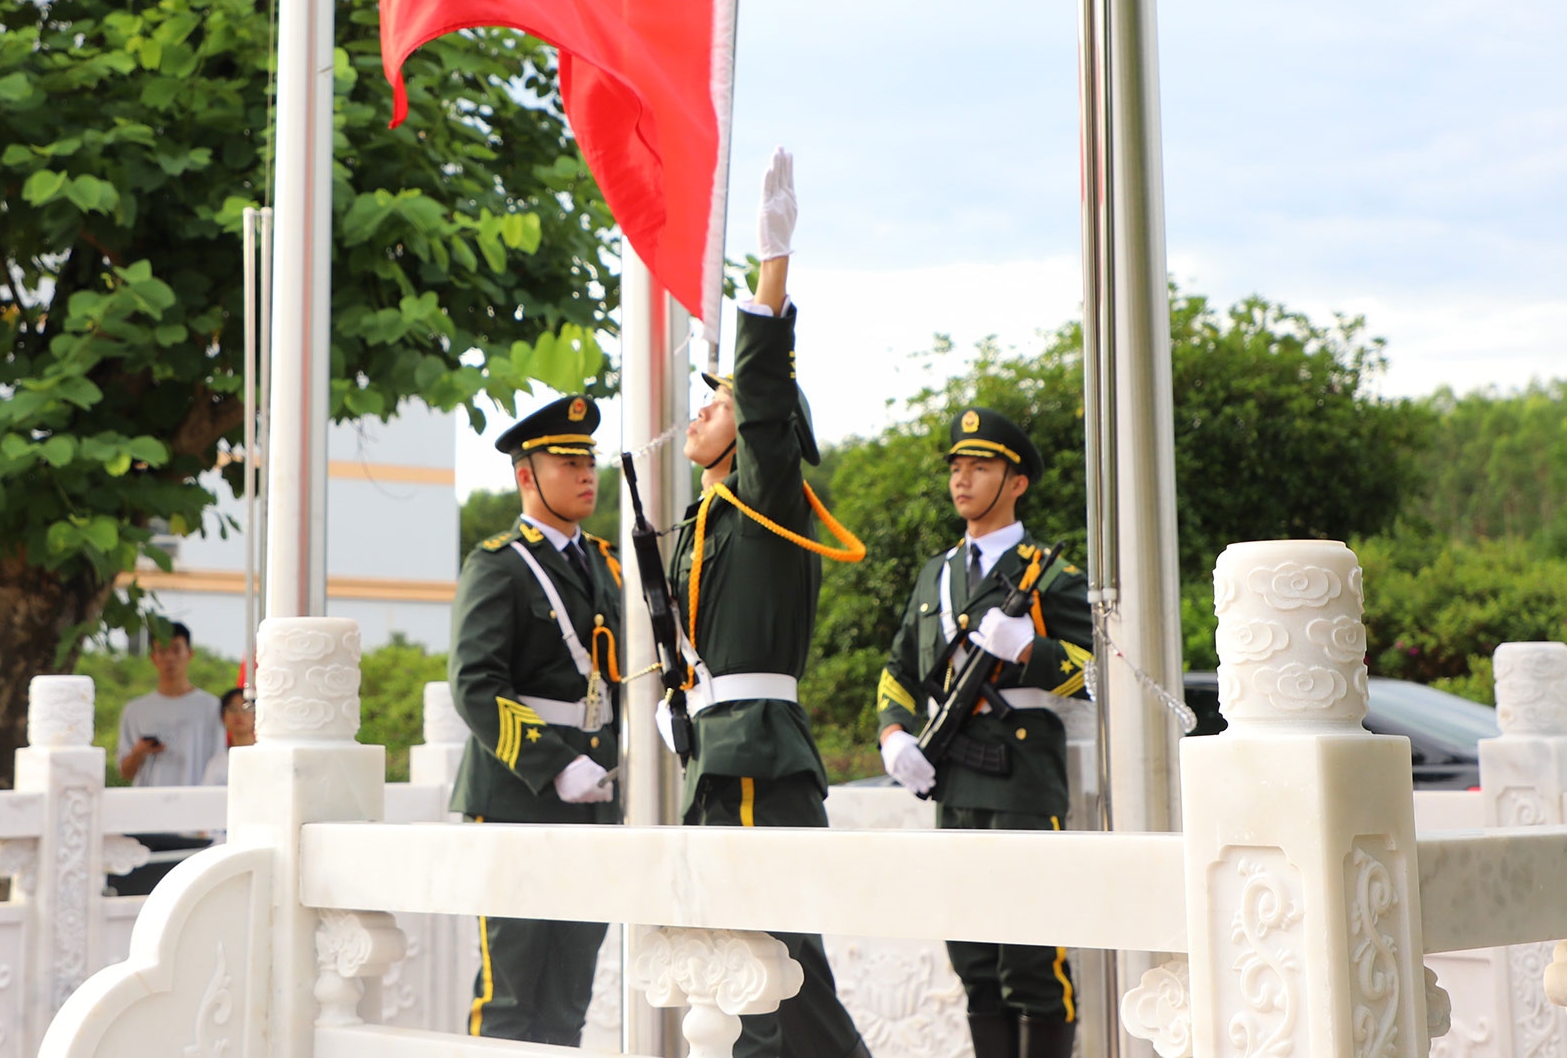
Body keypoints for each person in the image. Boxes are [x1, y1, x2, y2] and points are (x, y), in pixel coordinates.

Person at [667, 148, 873, 1058]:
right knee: (747, 963)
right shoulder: (704, 519)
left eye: (713, 405)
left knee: (776, 963)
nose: (698, 413)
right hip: (717, 751)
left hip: (756, 752)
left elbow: (760, 402)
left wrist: (770, 275)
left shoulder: (767, 500)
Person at [875, 408, 1095, 1058]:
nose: (962, 479)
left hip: (1022, 780)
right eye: (956, 467)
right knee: (972, 957)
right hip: (953, 777)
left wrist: (1030, 650)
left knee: (1030, 957)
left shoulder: (1050, 575)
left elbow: (1097, 676)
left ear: (1016, 482)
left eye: (980, 467)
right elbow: (899, 667)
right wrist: (893, 733)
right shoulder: (935, 575)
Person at [447, 392, 624, 1046]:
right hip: (518, 798)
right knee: (511, 993)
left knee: (569, 993)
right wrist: (554, 763)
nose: (586, 475)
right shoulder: (499, 564)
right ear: (527, 475)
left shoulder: (607, 563)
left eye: (589, 462)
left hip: (596, 798)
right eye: (568, 463)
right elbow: (474, 684)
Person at [116, 622, 223, 787]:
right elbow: (125, 773)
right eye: (162, 651)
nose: (170, 658)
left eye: (176, 650)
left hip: (196, 798)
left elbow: (220, 763)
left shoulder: (212, 707)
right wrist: (138, 752)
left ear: (190, 653)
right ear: (153, 657)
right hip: (149, 799)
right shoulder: (135, 709)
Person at [200, 686, 255, 787]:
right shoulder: (217, 763)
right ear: (223, 716)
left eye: (246, 707)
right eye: (232, 708)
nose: (239, 714)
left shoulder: (265, 756)